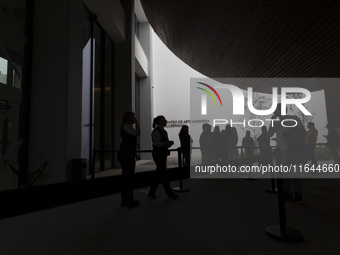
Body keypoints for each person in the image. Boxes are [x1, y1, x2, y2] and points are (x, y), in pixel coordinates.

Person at [148, 115, 179, 199]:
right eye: (164, 120)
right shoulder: (156, 131)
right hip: (159, 154)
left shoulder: (162, 131)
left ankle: (152, 192)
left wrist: (167, 144)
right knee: (163, 173)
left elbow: (160, 143)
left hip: (161, 154)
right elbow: (156, 143)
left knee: (160, 173)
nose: (166, 121)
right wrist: (166, 143)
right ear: (159, 121)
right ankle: (168, 192)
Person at [117, 111, 140, 208]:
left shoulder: (126, 127)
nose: (134, 118)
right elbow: (138, 134)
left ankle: (125, 199)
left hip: (126, 154)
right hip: (127, 155)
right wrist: (137, 123)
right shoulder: (127, 127)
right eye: (133, 117)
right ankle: (129, 200)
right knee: (129, 178)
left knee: (126, 177)